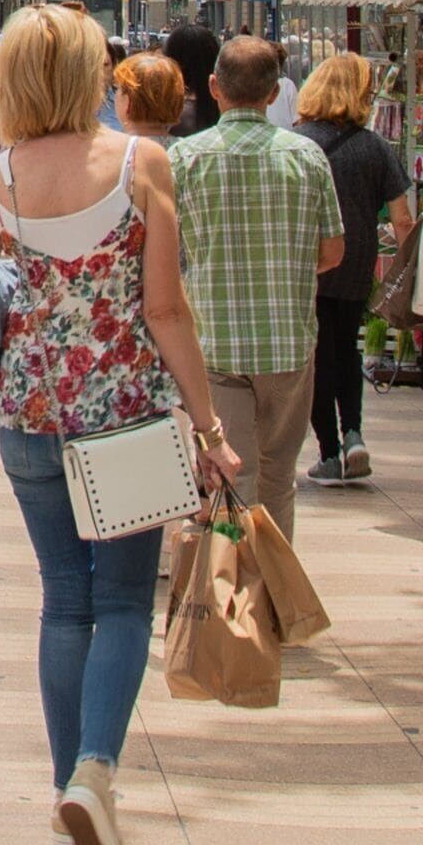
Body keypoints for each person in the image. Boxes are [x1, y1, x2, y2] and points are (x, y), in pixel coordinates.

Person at [0, 10, 239, 845]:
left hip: (34, 414)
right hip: (126, 415)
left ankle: (68, 798)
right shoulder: (142, 162)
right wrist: (211, 427)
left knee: (61, 602)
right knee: (120, 603)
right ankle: (95, 776)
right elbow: (165, 309)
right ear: (86, 75)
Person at [161, 35, 343, 540]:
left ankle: (229, 597)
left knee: (226, 479)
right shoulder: (306, 157)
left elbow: (161, 253)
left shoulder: (185, 159)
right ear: (273, 92)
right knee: (278, 478)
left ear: (215, 88)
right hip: (286, 343)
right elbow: (332, 252)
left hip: (213, 347)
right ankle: (271, 596)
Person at [292, 52, 416, 490]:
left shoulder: (296, 143)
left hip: (305, 263)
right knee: (345, 348)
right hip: (355, 263)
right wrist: (408, 271)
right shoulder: (374, 147)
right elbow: (403, 218)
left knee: (316, 357)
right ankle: (355, 434)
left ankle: (328, 453)